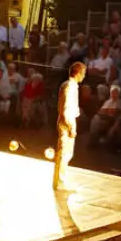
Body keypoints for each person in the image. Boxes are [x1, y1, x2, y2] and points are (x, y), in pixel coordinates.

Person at [53, 61, 86, 191]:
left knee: (67, 153)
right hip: (66, 122)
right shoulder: (69, 87)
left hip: (68, 121)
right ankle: (59, 182)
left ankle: (61, 180)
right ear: (78, 73)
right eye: (83, 73)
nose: (83, 76)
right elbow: (66, 108)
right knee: (64, 153)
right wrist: (71, 126)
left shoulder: (70, 86)